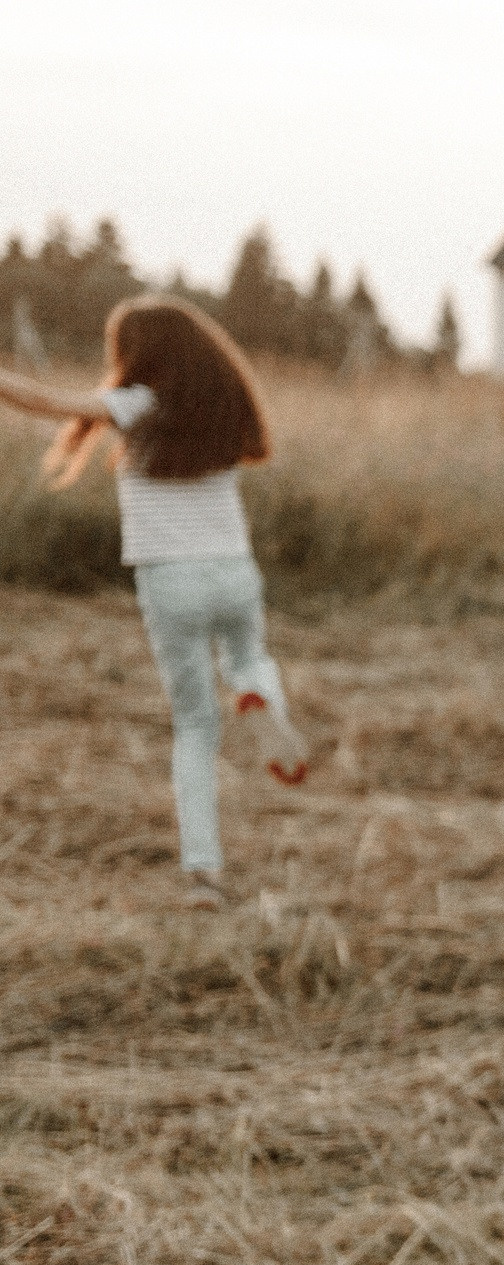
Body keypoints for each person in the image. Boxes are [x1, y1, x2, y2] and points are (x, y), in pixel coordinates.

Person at [0, 296, 308, 908]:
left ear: (139, 355)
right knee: (249, 659)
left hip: (171, 581)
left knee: (196, 727)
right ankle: (263, 701)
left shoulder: (136, 405)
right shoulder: (224, 409)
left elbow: (38, 399)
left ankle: (203, 874)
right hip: (233, 572)